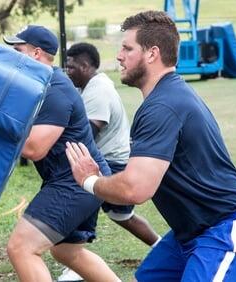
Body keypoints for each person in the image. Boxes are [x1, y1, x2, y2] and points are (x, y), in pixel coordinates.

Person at [65, 11, 236, 281]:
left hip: (226, 230)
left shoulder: (163, 105)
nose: (119, 55)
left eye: (127, 48)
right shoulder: (167, 95)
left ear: (152, 54)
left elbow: (135, 188)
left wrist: (90, 180)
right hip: (191, 232)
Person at [3, 25, 119, 282]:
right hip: (79, 178)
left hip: (75, 182)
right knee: (67, 252)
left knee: (22, 248)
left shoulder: (56, 91)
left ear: (36, 54)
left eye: (17, 50)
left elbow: (34, 149)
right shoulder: (41, 86)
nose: (12, 56)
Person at [57, 42, 160, 282]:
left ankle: (75, 263)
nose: (67, 71)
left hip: (110, 161)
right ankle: (161, 245)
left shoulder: (98, 90)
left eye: (71, 67)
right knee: (120, 215)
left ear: (85, 66)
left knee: (82, 200)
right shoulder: (87, 86)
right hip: (108, 158)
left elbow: (88, 132)